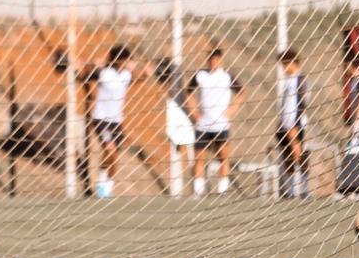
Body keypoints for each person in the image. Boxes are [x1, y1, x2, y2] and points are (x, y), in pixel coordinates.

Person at [82, 45, 147, 198]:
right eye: (126, 60)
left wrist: (144, 74)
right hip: (101, 119)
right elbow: (85, 72)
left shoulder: (126, 75)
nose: (128, 62)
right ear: (118, 60)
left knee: (114, 157)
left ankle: (105, 184)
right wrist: (95, 64)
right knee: (110, 149)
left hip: (117, 121)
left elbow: (138, 78)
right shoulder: (105, 73)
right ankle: (101, 185)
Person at [186, 48, 244, 196]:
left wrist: (232, 110)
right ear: (208, 60)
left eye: (216, 60)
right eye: (211, 60)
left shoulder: (227, 76)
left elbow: (241, 93)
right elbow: (188, 93)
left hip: (221, 125)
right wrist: (194, 113)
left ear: (220, 60)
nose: (214, 63)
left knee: (223, 157)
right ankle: (198, 192)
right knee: (199, 158)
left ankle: (222, 191)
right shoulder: (200, 75)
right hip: (203, 125)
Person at [156, 58, 195, 198]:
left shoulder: (180, 85)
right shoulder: (168, 93)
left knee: (191, 153)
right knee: (176, 152)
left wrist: (192, 114)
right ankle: (176, 190)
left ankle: (197, 188)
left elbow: (185, 92)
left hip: (183, 114)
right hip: (175, 113)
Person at [276, 49, 311, 199]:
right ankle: (290, 190)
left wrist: (294, 125)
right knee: (287, 156)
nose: (283, 68)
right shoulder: (288, 80)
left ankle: (304, 188)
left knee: (298, 154)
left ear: (292, 63)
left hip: (295, 124)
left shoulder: (300, 79)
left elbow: (302, 103)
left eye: (285, 64)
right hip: (285, 124)